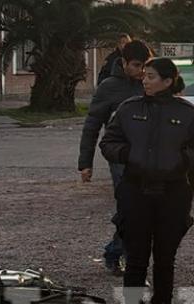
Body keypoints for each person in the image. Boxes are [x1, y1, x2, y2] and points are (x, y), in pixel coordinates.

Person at [99, 58, 194, 304]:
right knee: (136, 260)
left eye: (150, 76)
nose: (144, 80)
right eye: (144, 75)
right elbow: (108, 142)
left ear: (167, 81)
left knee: (165, 260)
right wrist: (128, 156)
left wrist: (181, 161)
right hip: (135, 192)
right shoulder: (129, 109)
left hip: (172, 194)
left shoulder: (187, 113)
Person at [79, 40, 152, 275]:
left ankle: (114, 251)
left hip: (148, 157)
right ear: (123, 63)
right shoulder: (109, 87)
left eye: (145, 66)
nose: (141, 71)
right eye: (136, 65)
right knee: (131, 206)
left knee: (140, 208)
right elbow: (92, 125)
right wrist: (85, 163)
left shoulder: (150, 84)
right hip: (120, 156)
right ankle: (131, 263)